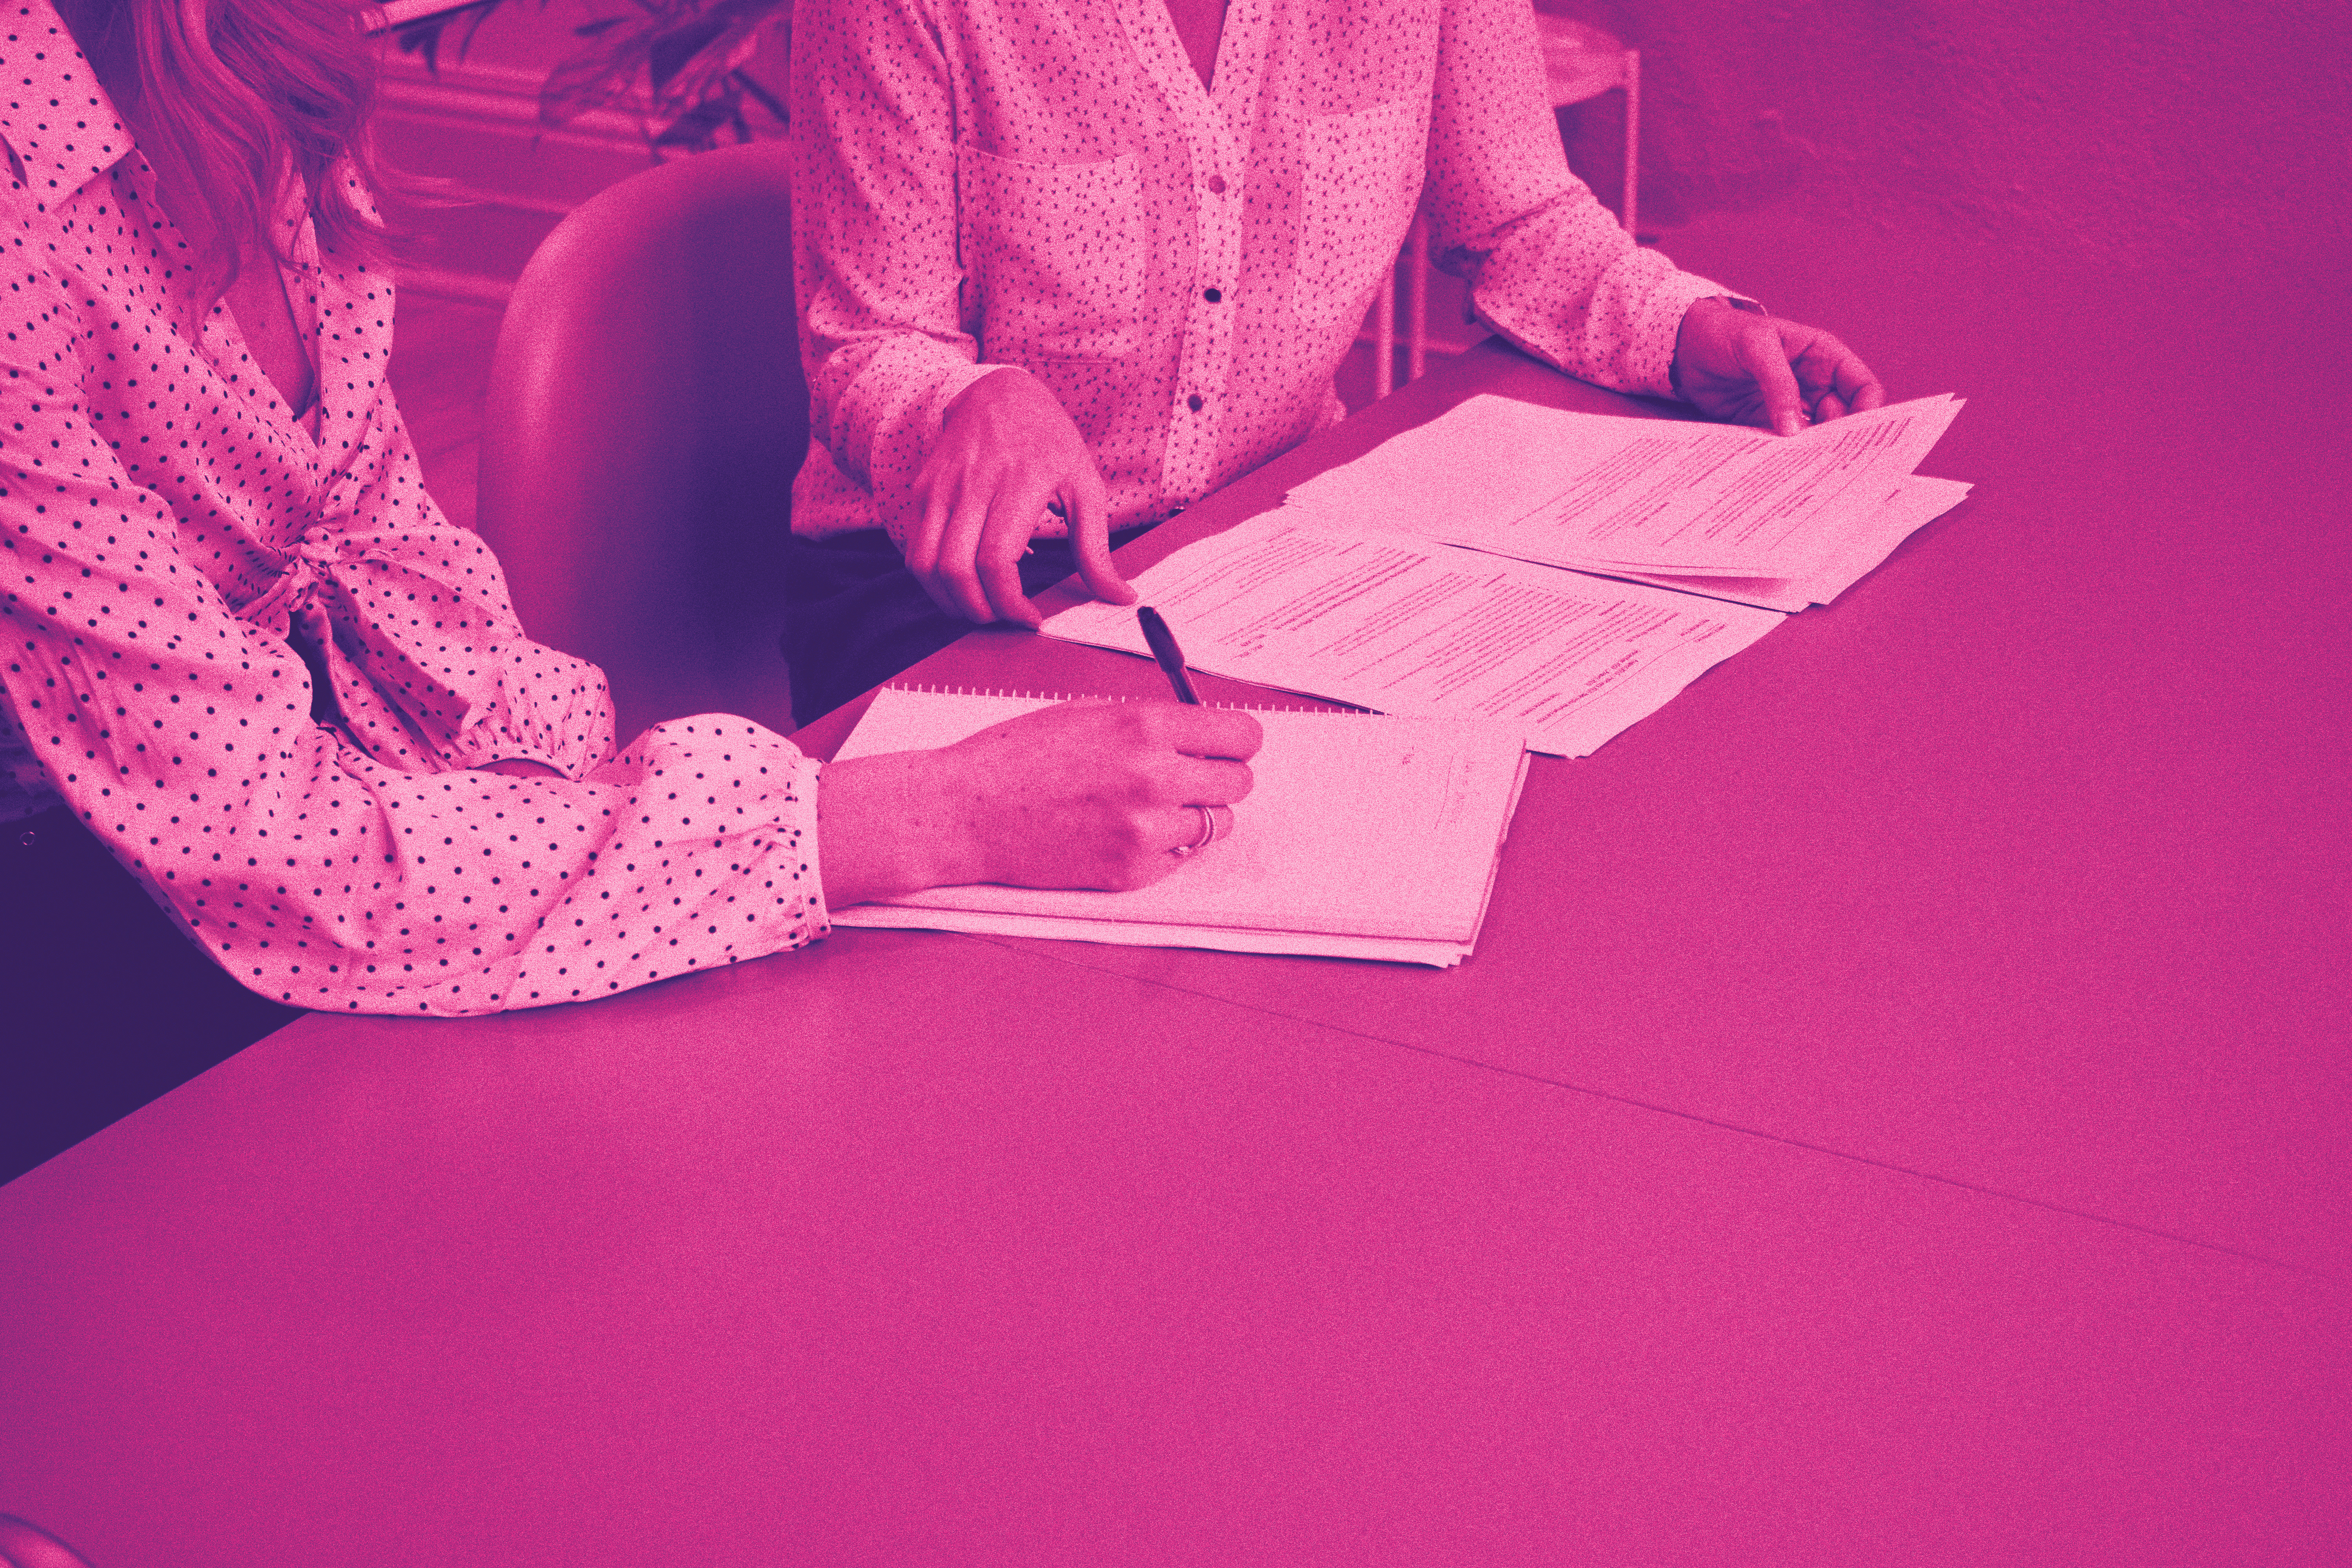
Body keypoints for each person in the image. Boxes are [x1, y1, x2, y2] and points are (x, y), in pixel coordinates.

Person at [0, 0, 1257, 1180]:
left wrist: (593, 818)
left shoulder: (255, 72)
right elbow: (285, 856)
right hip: (86, 966)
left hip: (331, 842)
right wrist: (938, 817)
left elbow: (400, 575)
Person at [785, 0, 1887, 723]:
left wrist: (1687, 328)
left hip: (1265, 554)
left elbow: (1518, 217)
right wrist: (969, 397)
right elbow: (871, 342)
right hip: (960, 597)